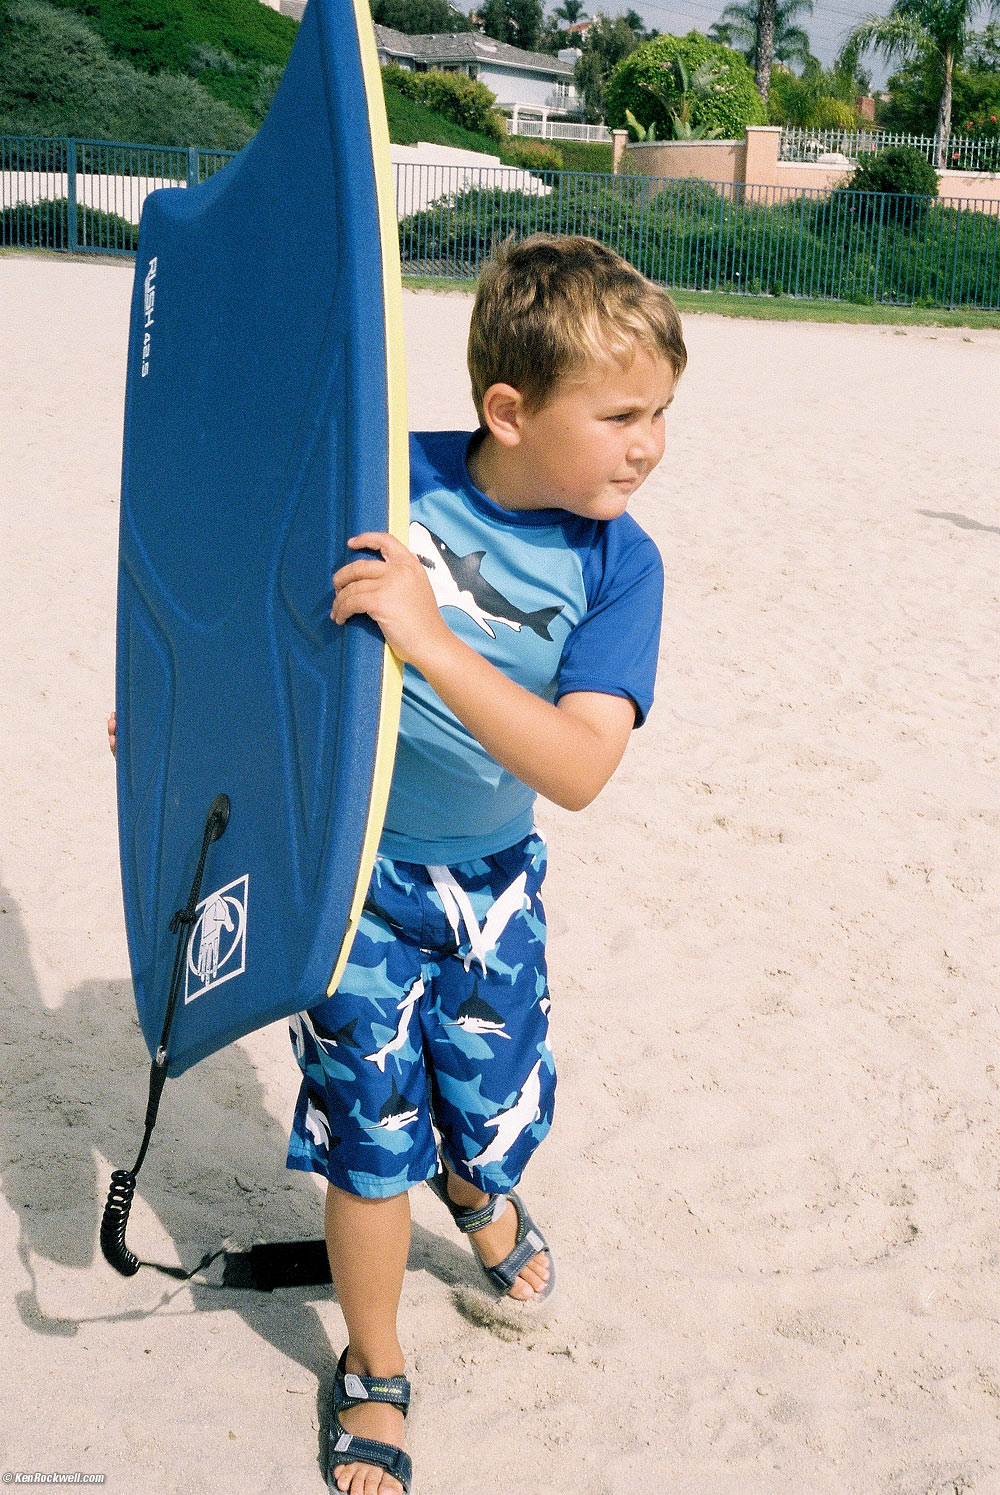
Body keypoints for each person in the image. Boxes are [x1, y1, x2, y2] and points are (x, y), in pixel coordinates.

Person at [111, 233, 686, 1495]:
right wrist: (172, 715)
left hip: (490, 891)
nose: (650, 446)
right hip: (350, 876)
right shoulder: (382, 479)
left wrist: (429, 639)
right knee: (371, 1137)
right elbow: (245, 593)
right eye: (623, 415)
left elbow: (580, 769)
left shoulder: (617, 563)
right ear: (509, 409)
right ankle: (374, 1367)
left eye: (662, 415)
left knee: (481, 1108)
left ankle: (477, 1190)